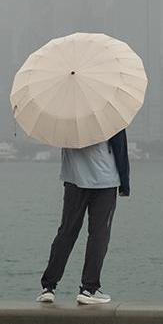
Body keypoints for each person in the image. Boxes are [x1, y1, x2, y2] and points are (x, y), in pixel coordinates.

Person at [35, 128, 130, 305]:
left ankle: (48, 287)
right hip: (105, 180)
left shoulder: (64, 116)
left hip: (74, 179)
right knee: (99, 236)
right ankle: (89, 288)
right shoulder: (107, 114)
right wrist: (125, 184)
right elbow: (119, 148)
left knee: (66, 232)